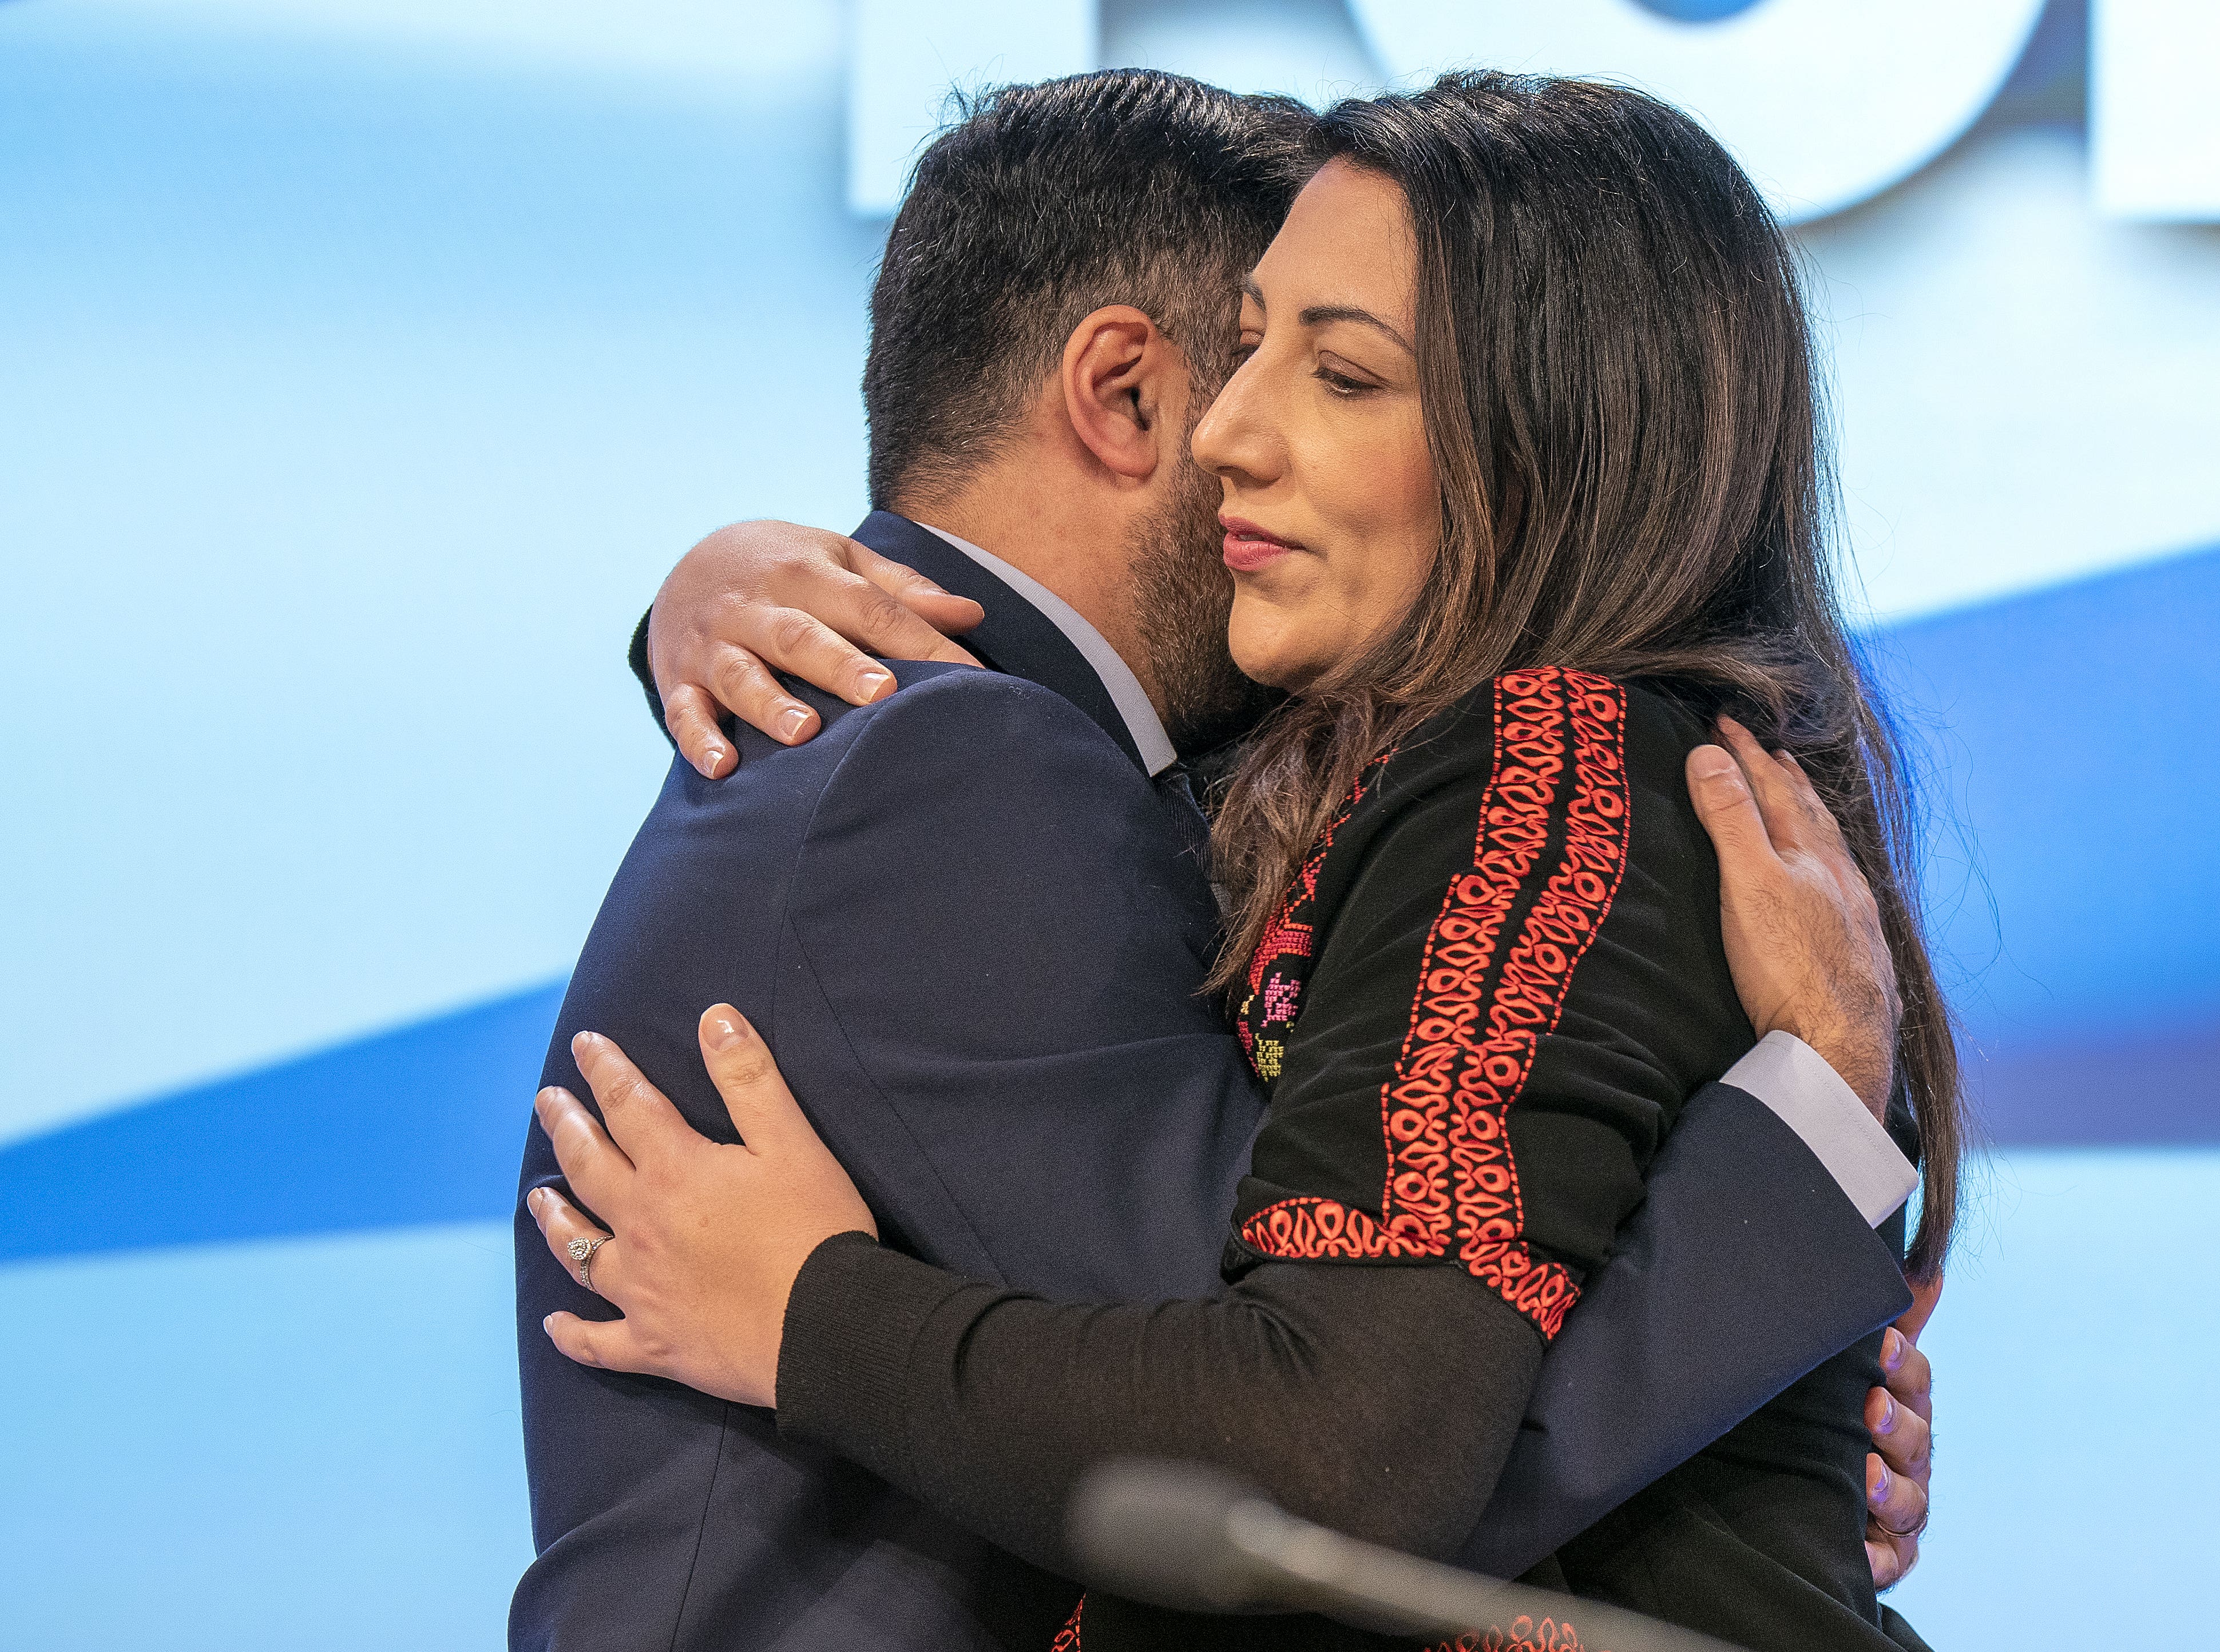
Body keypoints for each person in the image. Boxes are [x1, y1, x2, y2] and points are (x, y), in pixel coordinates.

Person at [523, 74, 1956, 1651]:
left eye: (1335, 371)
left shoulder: (1495, 760)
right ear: (1120, 393)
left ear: (1544, 424)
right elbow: (1329, 1451)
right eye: (1252, 346)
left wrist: (1781, 1389)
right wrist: (1796, 1190)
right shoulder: (960, 769)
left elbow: (1338, 1439)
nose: (1231, 434)